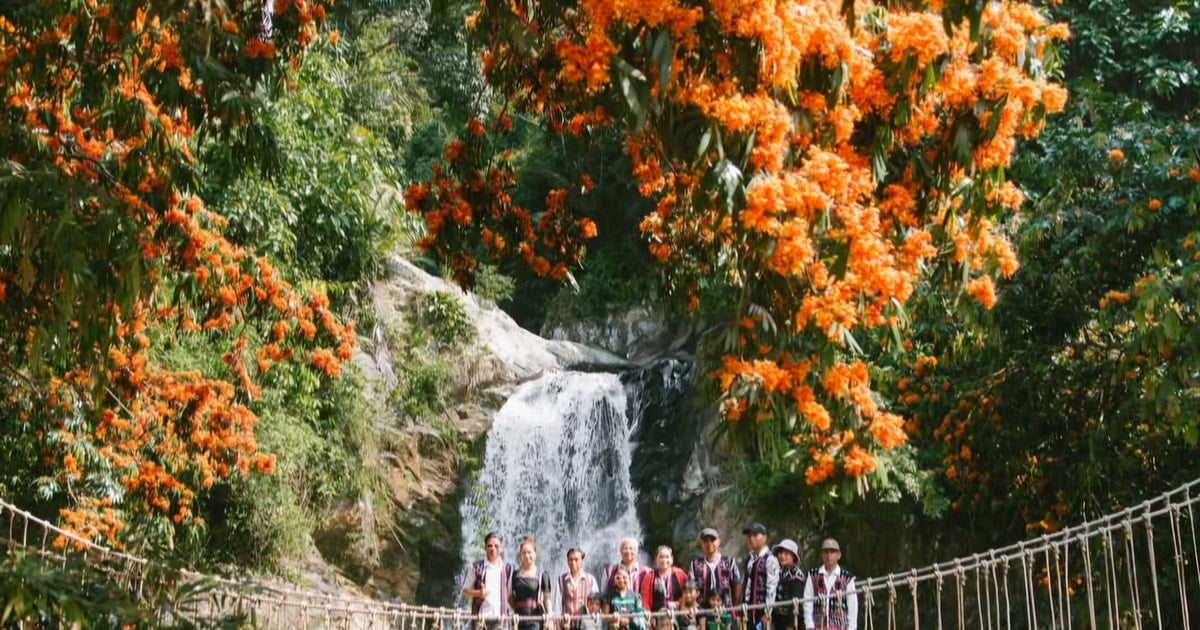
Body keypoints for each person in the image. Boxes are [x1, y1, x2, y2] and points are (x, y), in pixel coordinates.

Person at [463, 532, 515, 630]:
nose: (493, 549)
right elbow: (465, 591)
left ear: (501, 548)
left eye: (496, 546)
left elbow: (510, 595)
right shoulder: (475, 567)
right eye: (489, 546)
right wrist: (478, 593)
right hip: (480, 618)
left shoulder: (508, 569)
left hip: (501, 618)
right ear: (485, 547)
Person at [802, 539, 856, 630]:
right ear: (821, 555)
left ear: (839, 555)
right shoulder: (813, 575)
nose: (829, 556)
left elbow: (852, 605)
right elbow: (807, 600)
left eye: (832, 552)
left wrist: (852, 628)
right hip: (818, 626)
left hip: (840, 626)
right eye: (826, 552)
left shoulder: (847, 578)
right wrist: (809, 625)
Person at [688, 528, 743, 612]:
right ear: (702, 544)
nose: (709, 543)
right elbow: (691, 588)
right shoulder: (695, 564)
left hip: (726, 609)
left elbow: (737, 584)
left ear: (719, 541)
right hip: (703, 611)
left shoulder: (729, 562)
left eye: (713, 540)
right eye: (706, 541)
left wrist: (733, 606)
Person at [741, 523, 780, 629]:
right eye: (749, 536)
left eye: (755, 535)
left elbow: (772, 588)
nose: (751, 538)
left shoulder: (770, 559)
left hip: (762, 612)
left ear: (764, 537)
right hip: (748, 610)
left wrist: (767, 613)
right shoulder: (749, 558)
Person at [510, 536, 554, 630]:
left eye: (529, 552)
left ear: (535, 553)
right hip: (517, 619)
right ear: (520, 555)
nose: (526, 556)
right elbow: (510, 596)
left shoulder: (542, 575)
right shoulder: (515, 575)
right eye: (523, 553)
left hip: (535, 618)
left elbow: (547, 600)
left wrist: (550, 617)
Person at [640, 546, 689, 628]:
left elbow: (688, 593)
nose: (664, 560)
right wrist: (647, 615)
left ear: (672, 559)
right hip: (657, 618)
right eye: (661, 557)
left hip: (678, 616)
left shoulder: (680, 574)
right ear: (656, 559)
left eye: (667, 557)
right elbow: (645, 600)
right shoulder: (650, 576)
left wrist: (683, 604)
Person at [770, 539, 806, 630]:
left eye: (786, 554)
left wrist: (791, 624)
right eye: (781, 553)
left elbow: (796, 602)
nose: (782, 556)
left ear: (793, 557)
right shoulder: (779, 572)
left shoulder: (796, 575)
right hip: (777, 618)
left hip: (790, 618)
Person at [560, 548, 600, 629]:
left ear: (582, 561)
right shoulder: (561, 579)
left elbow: (596, 603)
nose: (573, 562)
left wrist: (595, 620)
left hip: (586, 624)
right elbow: (557, 603)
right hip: (567, 623)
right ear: (567, 561)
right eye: (570, 559)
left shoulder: (590, 579)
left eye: (576, 559)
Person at [605, 565, 648, 630]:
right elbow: (605, 616)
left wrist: (629, 620)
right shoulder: (609, 596)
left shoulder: (636, 596)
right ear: (614, 579)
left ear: (629, 578)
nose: (621, 580)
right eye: (618, 578)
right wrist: (615, 618)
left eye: (624, 577)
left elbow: (639, 613)